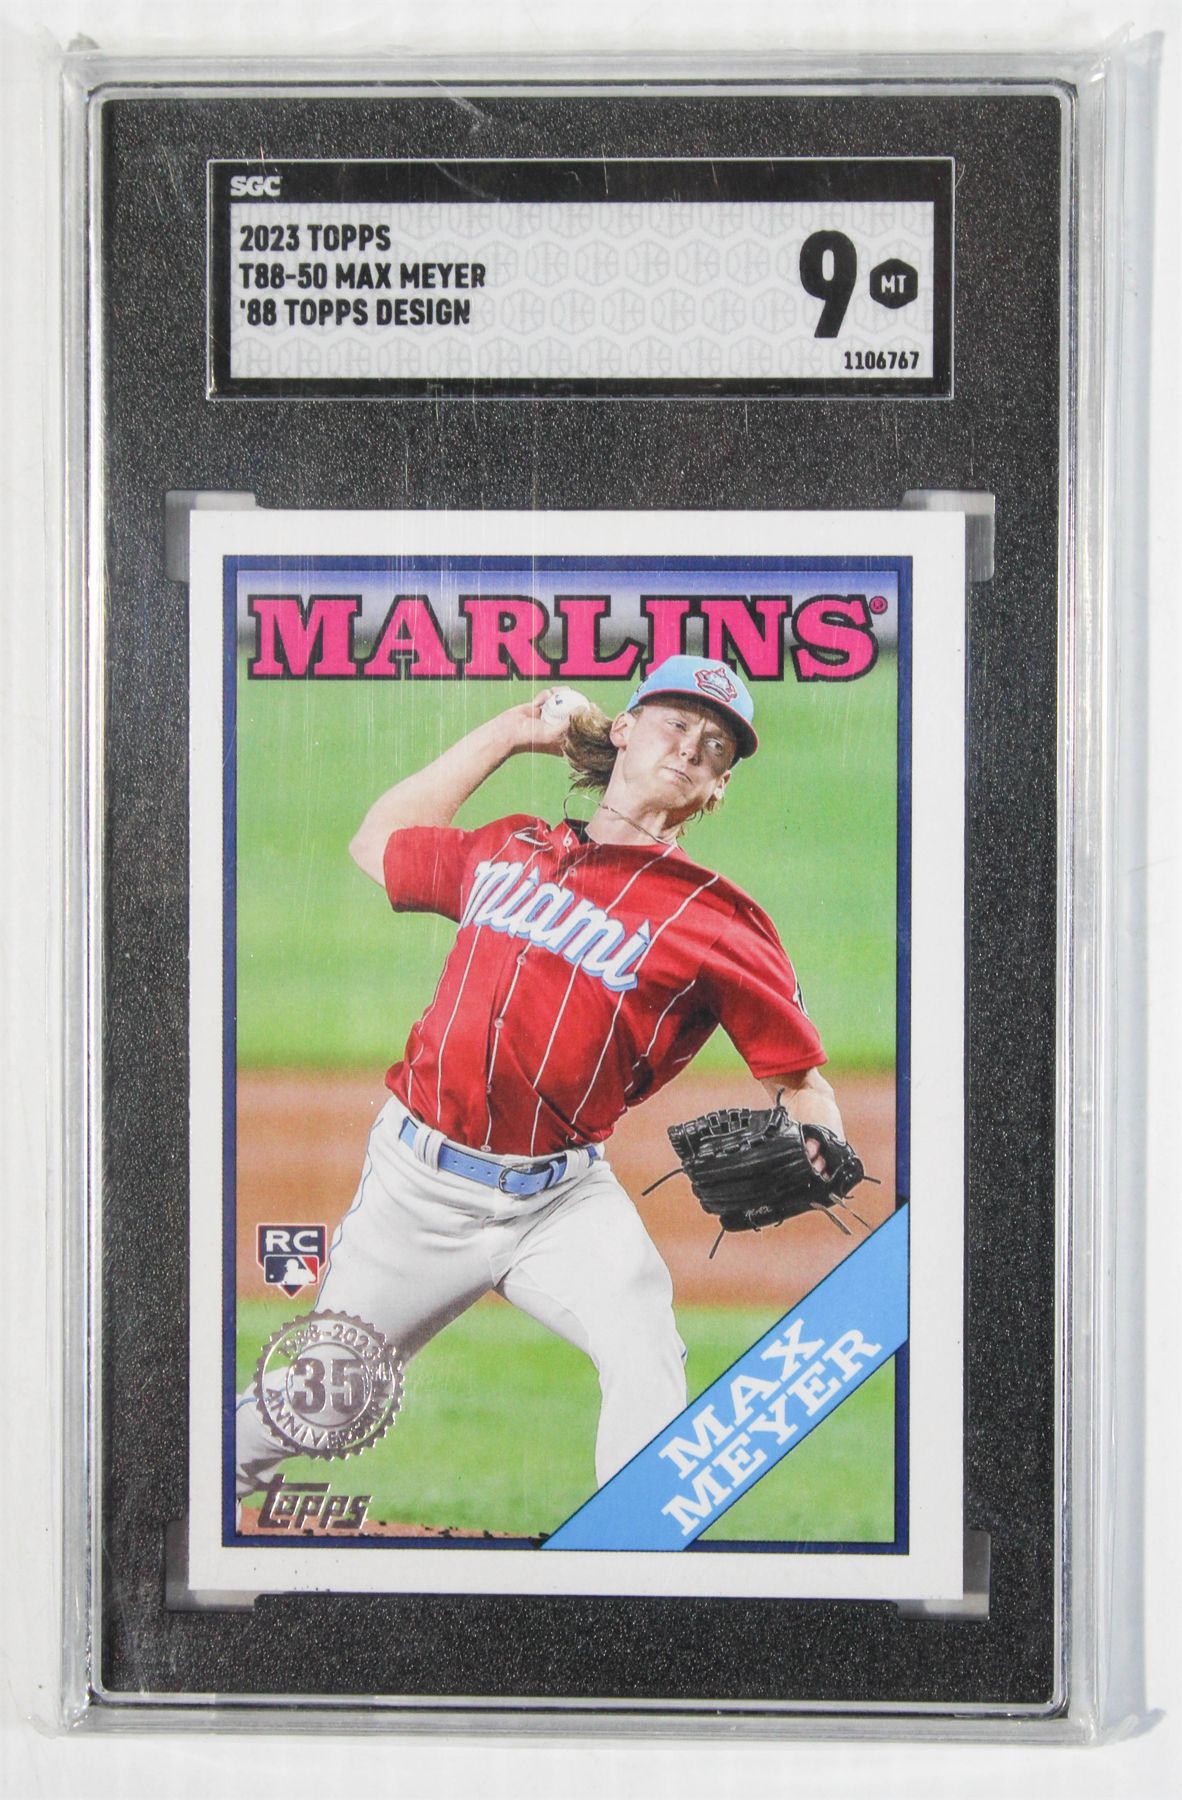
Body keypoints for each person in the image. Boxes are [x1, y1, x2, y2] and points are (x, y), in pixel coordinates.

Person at [235, 656, 845, 1501]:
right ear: (624, 730)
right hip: (415, 1193)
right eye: (675, 723)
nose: (691, 748)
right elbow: (378, 844)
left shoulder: (720, 922)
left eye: (715, 748)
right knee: (326, 1405)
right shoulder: (510, 846)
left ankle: (635, 1554)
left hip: (560, 1201)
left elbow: (800, 1079)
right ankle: (194, 1488)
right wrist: (515, 731)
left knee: (645, 1345)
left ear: (717, 791)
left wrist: (822, 1134)